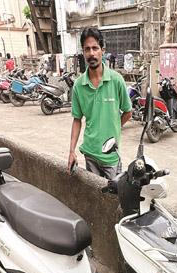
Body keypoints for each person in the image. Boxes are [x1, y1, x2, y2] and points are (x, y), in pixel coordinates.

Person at [69, 27, 132, 179]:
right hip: (90, 154)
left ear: (102, 50)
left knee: (113, 197)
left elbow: (128, 112)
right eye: (87, 49)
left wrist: (114, 128)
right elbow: (77, 120)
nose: (91, 53)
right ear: (83, 52)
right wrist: (71, 151)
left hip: (111, 156)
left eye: (95, 48)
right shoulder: (78, 85)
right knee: (94, 197)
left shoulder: (116, 80)